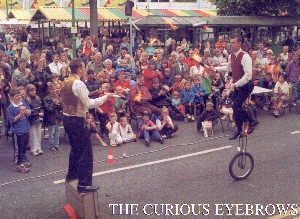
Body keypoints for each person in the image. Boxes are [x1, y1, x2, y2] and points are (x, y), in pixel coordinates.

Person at [61, 58, 114, 193]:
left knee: (75, 150)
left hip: (67, 118)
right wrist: (105, 97)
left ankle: (71, 176)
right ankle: (84, 184)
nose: (84, 69)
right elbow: (89, 103)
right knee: (86, 152)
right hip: (77, 120)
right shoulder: (79, 83)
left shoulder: (66, 81)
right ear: (79, 69)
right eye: (83, 67)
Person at [228, 34, 258, 140]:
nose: (230, 44)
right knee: (235, 107)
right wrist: (215, 68)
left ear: (239, 43)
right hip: (238, 85)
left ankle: (253, 121)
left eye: (233, 42)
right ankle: (239, 130)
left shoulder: (245, 56)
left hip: (246, 85)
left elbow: (248, 76)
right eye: (230, 42)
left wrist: (235, 84)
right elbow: (229, 69)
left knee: (237, 106)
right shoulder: (230, 55)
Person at [7, 87, 32, 173]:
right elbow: (12, 121)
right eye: (16, 96)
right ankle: (19, 164)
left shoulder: (23, 103)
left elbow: (29, 112)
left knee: (24, 147)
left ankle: (23, 162)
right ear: (11, 97)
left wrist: (26, 112)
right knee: (19, 149)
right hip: (18, 132)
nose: (18, 97)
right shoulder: (10, 108)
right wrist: (20, 114)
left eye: (19, 95)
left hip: (25, 129)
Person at [25, 84, 44, 156]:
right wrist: (37, 113)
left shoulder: (38, 98)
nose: (34, 92)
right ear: (28, 91)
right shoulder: (26, 100)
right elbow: (28, 111)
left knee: (39, 133)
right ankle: (33, 149)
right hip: (32, 119)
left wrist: (42, 112)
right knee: (33, 134)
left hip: (39, 118)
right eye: (31, 91)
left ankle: (39, 148)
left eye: (35, 90)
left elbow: (41, 106)